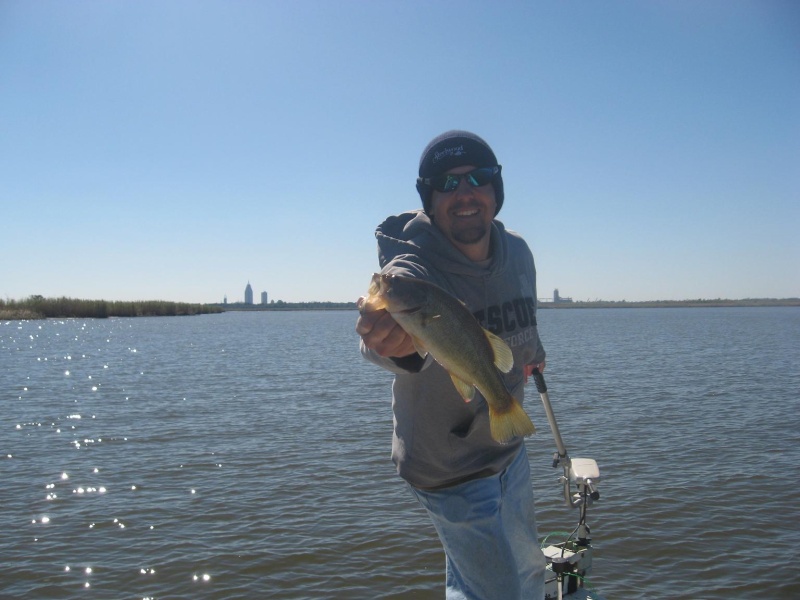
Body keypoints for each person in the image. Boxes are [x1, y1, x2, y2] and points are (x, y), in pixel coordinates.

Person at [356, 130, 548, 600]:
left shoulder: (519, 253)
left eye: (478, 178)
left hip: (509, 452)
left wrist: (533, 353)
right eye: (447, 183)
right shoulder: (412, 268)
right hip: (449, 467)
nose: (465, 193)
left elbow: (522, 327)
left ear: (495, 192)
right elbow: (386, 336)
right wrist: (388, 341)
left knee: (527, 569)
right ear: (429, 198)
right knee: (496, 591)